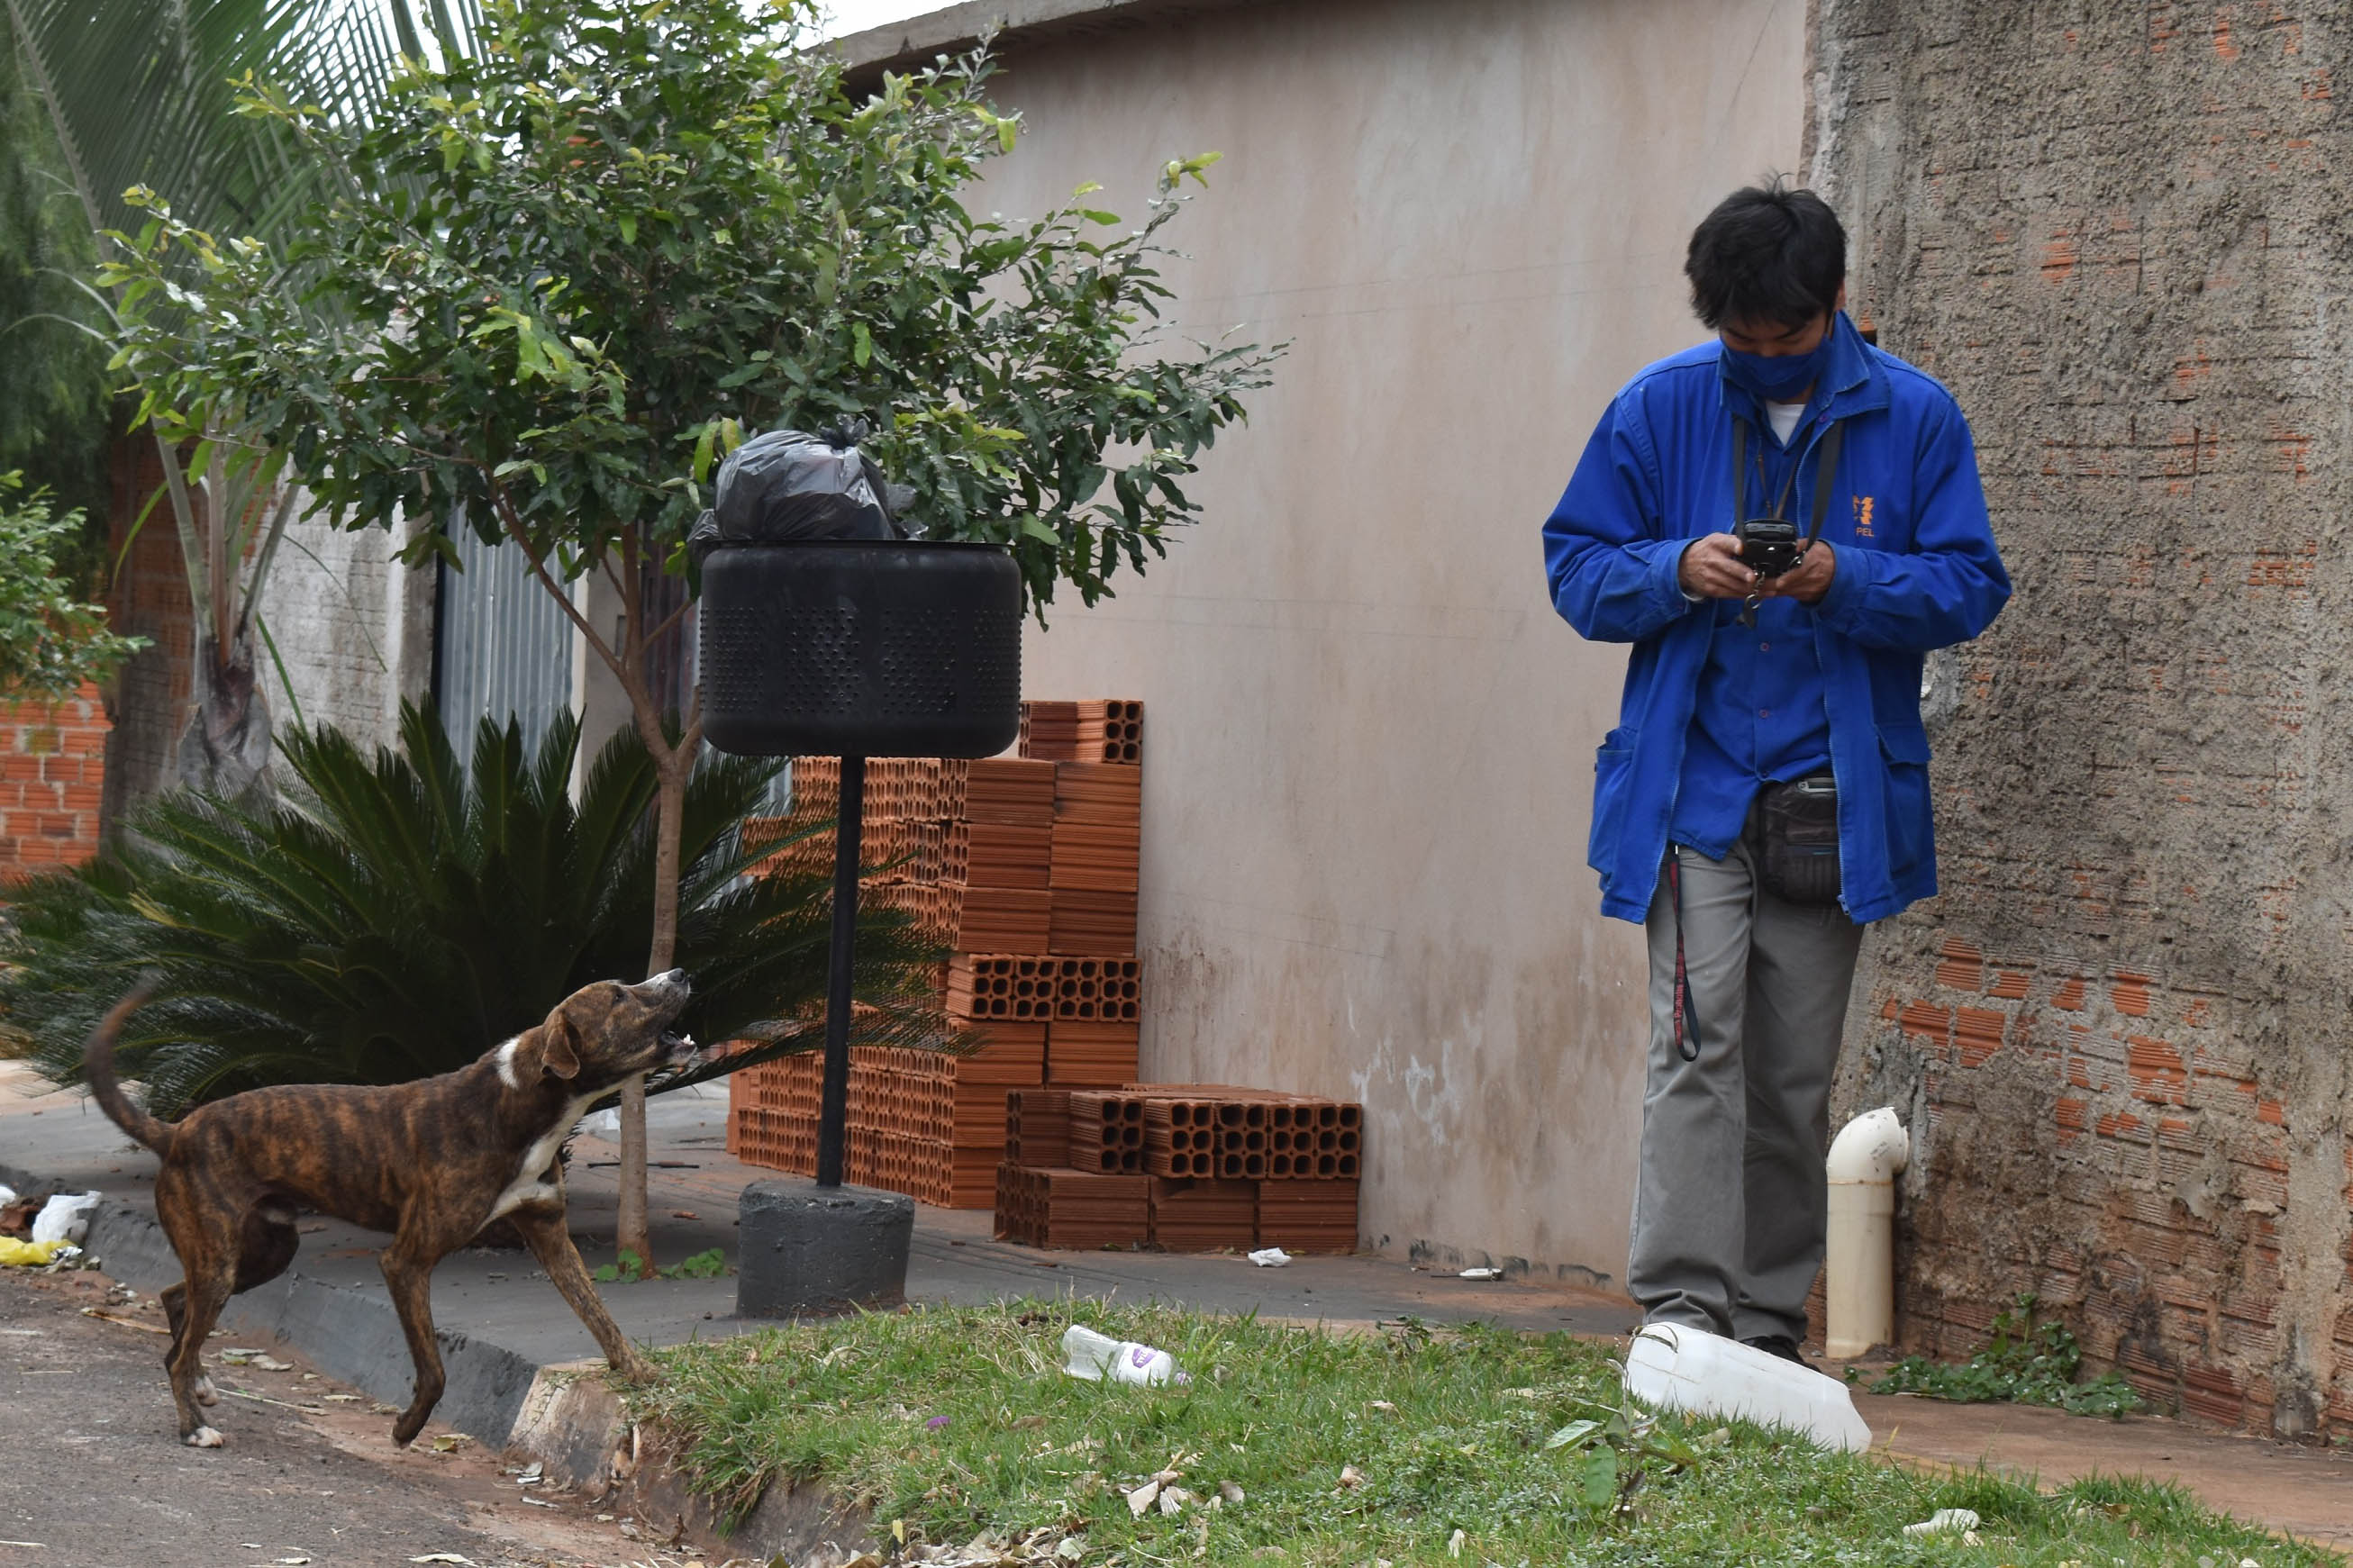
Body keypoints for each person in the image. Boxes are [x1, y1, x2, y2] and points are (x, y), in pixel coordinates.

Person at [1540, 178, 2010, 1364]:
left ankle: (1761, 1324)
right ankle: (1685, 1314)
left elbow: (1969, 586)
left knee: (1792, 1072)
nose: (1760, 361)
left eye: (1783, 340)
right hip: (1690, 798)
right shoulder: (1656, 410)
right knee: (1694, 1053)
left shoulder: (1916, 418)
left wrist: (1840, 577)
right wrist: (1670, 569)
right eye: (1738, 341)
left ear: (1835, 301)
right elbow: (1574, 567)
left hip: (1830, 806)